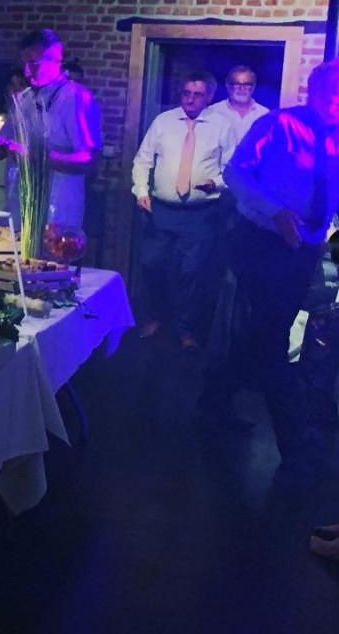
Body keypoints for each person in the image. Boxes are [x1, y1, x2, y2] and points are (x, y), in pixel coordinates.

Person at [211, 60, 339, 475]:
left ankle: (210, 404)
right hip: (262, 243)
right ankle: (295, 443)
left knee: (260, 334)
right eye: (335, 92)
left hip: (305, 247)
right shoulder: (279, 125)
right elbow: (235, 172)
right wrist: (276, 212)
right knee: (272, 336)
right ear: (315, 91)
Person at [131, 71, 237, 350]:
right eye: (186, 93)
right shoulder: (163, 122)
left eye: (197, 94)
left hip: (200, 214)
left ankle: (185, 329)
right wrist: (141, 191)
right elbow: (142, 161)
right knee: (150, 263)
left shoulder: (221, 126)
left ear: (209, 96)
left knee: (191, 271)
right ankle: (156, 315)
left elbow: (234, 169)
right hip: (161, 210)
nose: (190, 99)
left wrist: (215, 182)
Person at [0, 29, 102, 230]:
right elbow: (4, 145)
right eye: (24, 64)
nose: (27, 72)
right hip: (19, 202)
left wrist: (41, 157)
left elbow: (89, 158)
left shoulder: (76, 97)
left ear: (56, 60)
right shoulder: (24, 98)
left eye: (34, 64)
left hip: (57, 206)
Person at [207, 65, 271, 147]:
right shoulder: (214, 111)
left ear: (254, 87)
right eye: (237, 84)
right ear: (228, 86)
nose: (242, 89)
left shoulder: (264, 114)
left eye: (247, 84)